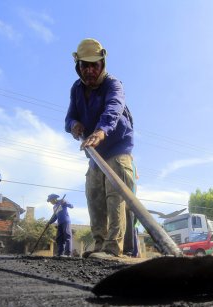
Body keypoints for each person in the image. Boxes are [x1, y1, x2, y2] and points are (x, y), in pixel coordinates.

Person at [65, 38, 135, 259]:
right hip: (94, 153)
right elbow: (69, 117)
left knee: (115, 195)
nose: (90, 70)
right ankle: (99, 244)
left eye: (94, 65)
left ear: (102, 63)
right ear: (78, 67)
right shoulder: (76, 89)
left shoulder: (114, 84)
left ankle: (113, 248)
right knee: (93, 194)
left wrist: (101, 131)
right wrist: (73, 125)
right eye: (85, 65)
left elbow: (114, 108)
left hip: (117, 147)